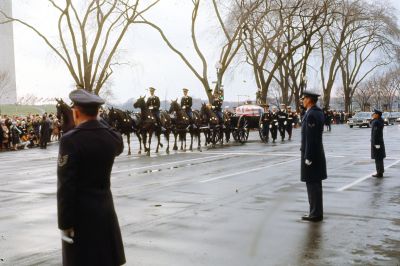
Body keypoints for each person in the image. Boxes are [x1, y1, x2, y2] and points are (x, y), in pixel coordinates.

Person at [57, 89, 126, 266]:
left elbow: (66, 185)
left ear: (76, 112)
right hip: (106, 212)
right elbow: (118, 142)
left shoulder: (70, 140)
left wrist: (65, 223)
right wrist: (98, 120)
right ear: (98, 112)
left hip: (81, 218)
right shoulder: (110, 137)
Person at [300, 90, 327, 222]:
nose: (302, 100)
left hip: (312, 154)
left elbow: (311, 138)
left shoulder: (311, 115)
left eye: (304, 98)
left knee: (313, 185)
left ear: (309, 99)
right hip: (317, 153)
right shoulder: (317, 112)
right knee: (315, 185)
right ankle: (316, 212)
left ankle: (315, 214)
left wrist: (308, 156)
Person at [370, 109, 386, 178]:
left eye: (374, 114)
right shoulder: (378, 121)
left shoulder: (376, 122)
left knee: (378, 158)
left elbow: (376, 134)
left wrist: (376, 143)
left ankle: (379, 173)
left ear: (377, 115)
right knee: (379, 157)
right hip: (378, 142)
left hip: (377, 142)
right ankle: (380, 172)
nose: (373, 115)